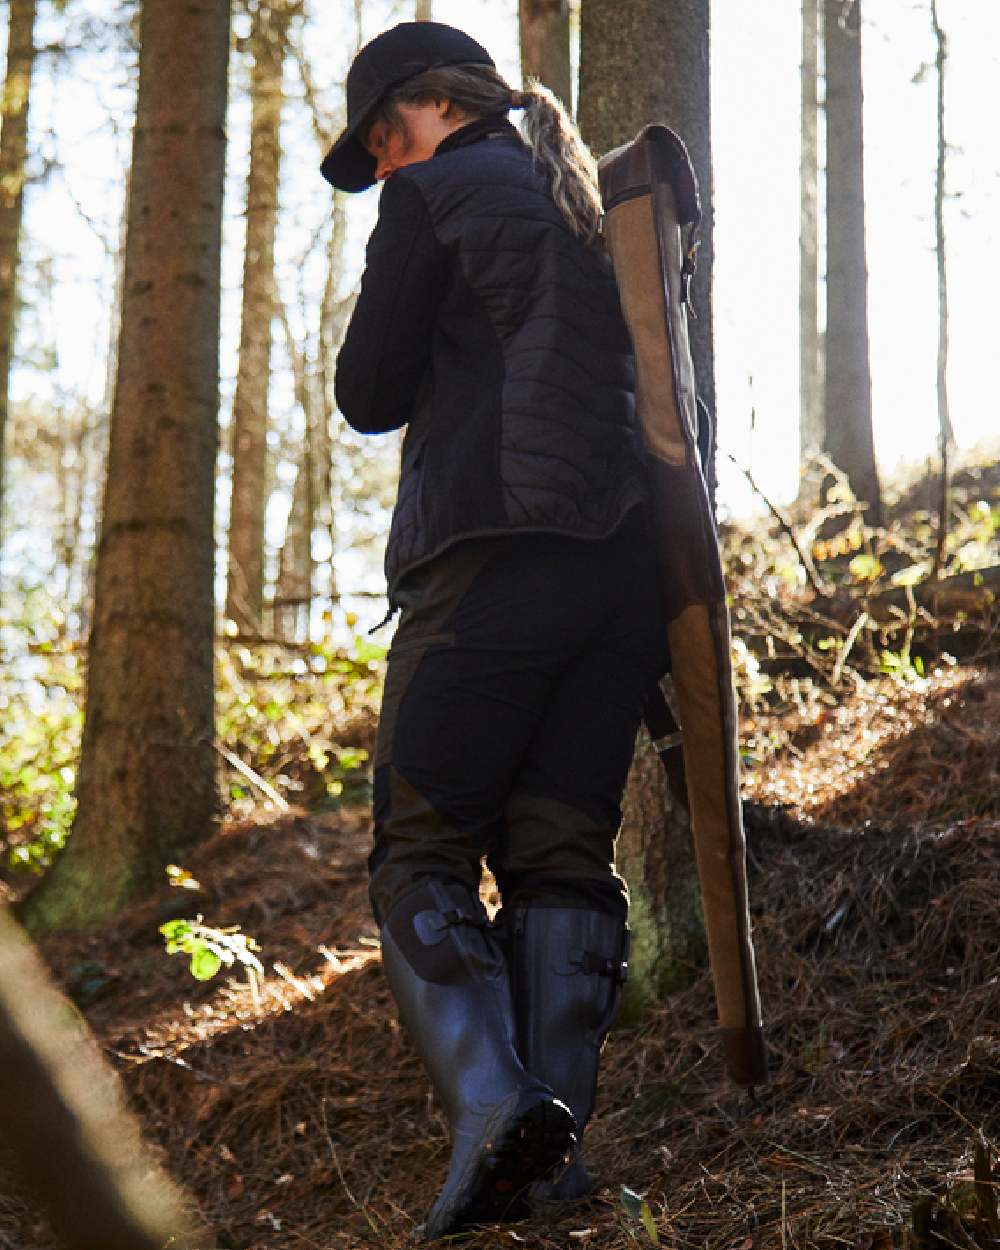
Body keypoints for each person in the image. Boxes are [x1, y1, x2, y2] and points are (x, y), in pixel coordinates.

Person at [322, 21, 667, 1242]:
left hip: (488, 558)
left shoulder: (435, 195)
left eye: (382, 142)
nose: (384, 165)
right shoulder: (587, 198)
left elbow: (365, 390)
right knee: (558, 853)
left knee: (419, 848)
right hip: (625, 575)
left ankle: (494, 1108)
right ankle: (552, 1159)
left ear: (425, 110)